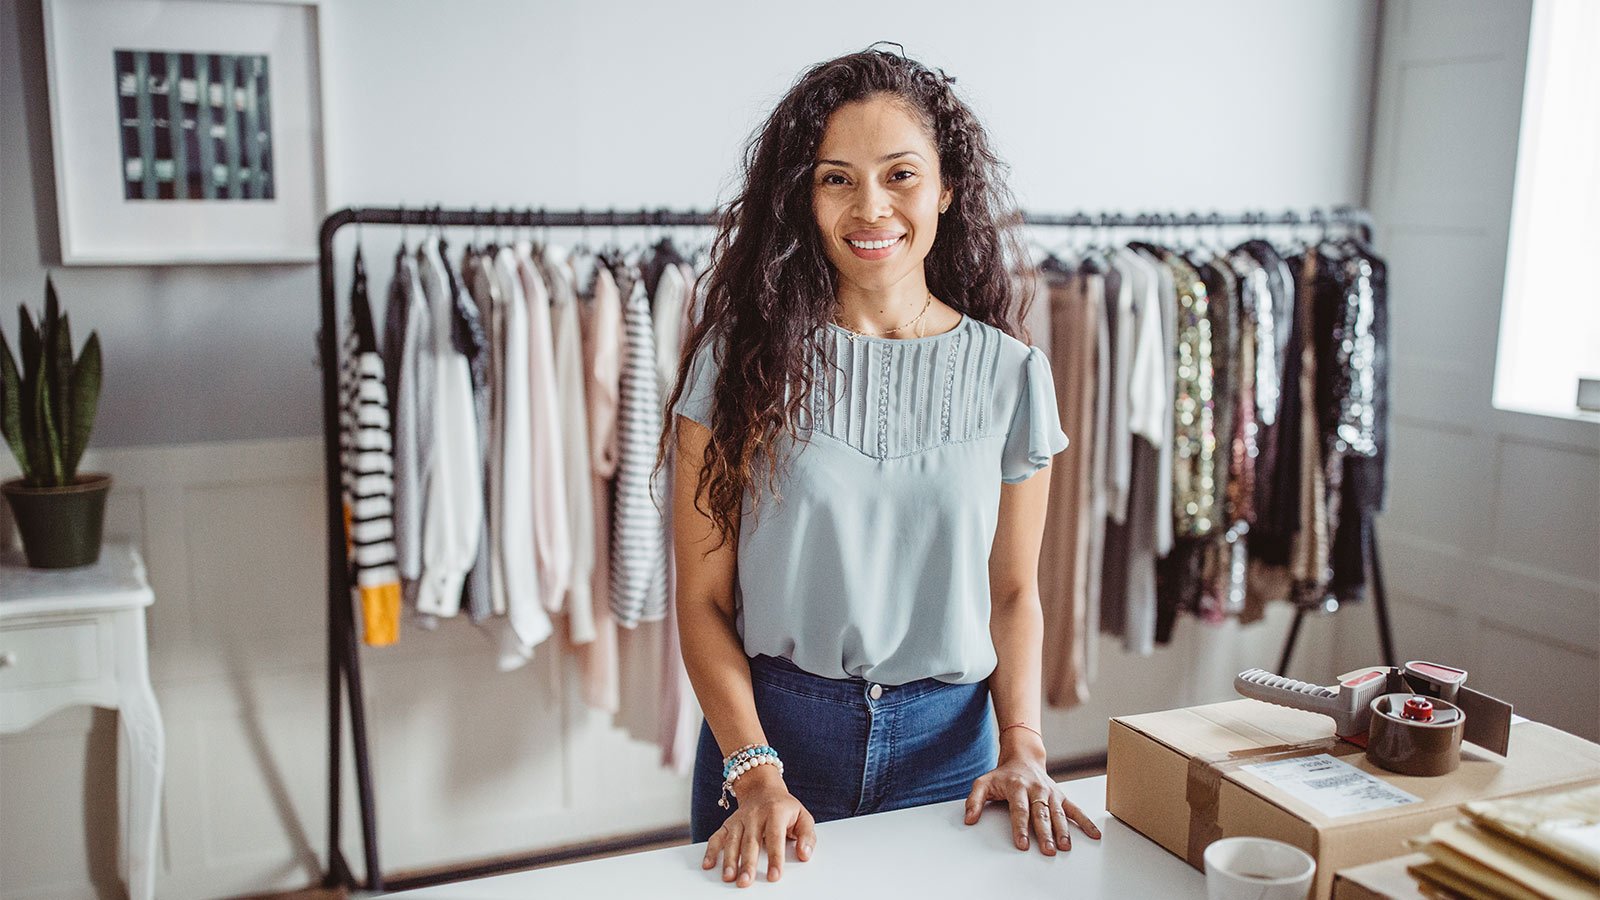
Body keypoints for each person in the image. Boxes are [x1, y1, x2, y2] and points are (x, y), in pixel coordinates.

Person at [658, 44, 1101, 889]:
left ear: (945, 190)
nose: (871, 207)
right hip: (773, 746)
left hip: (955, 755)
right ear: (804, 198)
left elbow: (1012, 596)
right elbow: (704, 601)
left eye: (901, 174)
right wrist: (755, 773)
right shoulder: (738, 360)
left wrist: (1025, 748)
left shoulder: (1013, 374)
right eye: (836, 178)